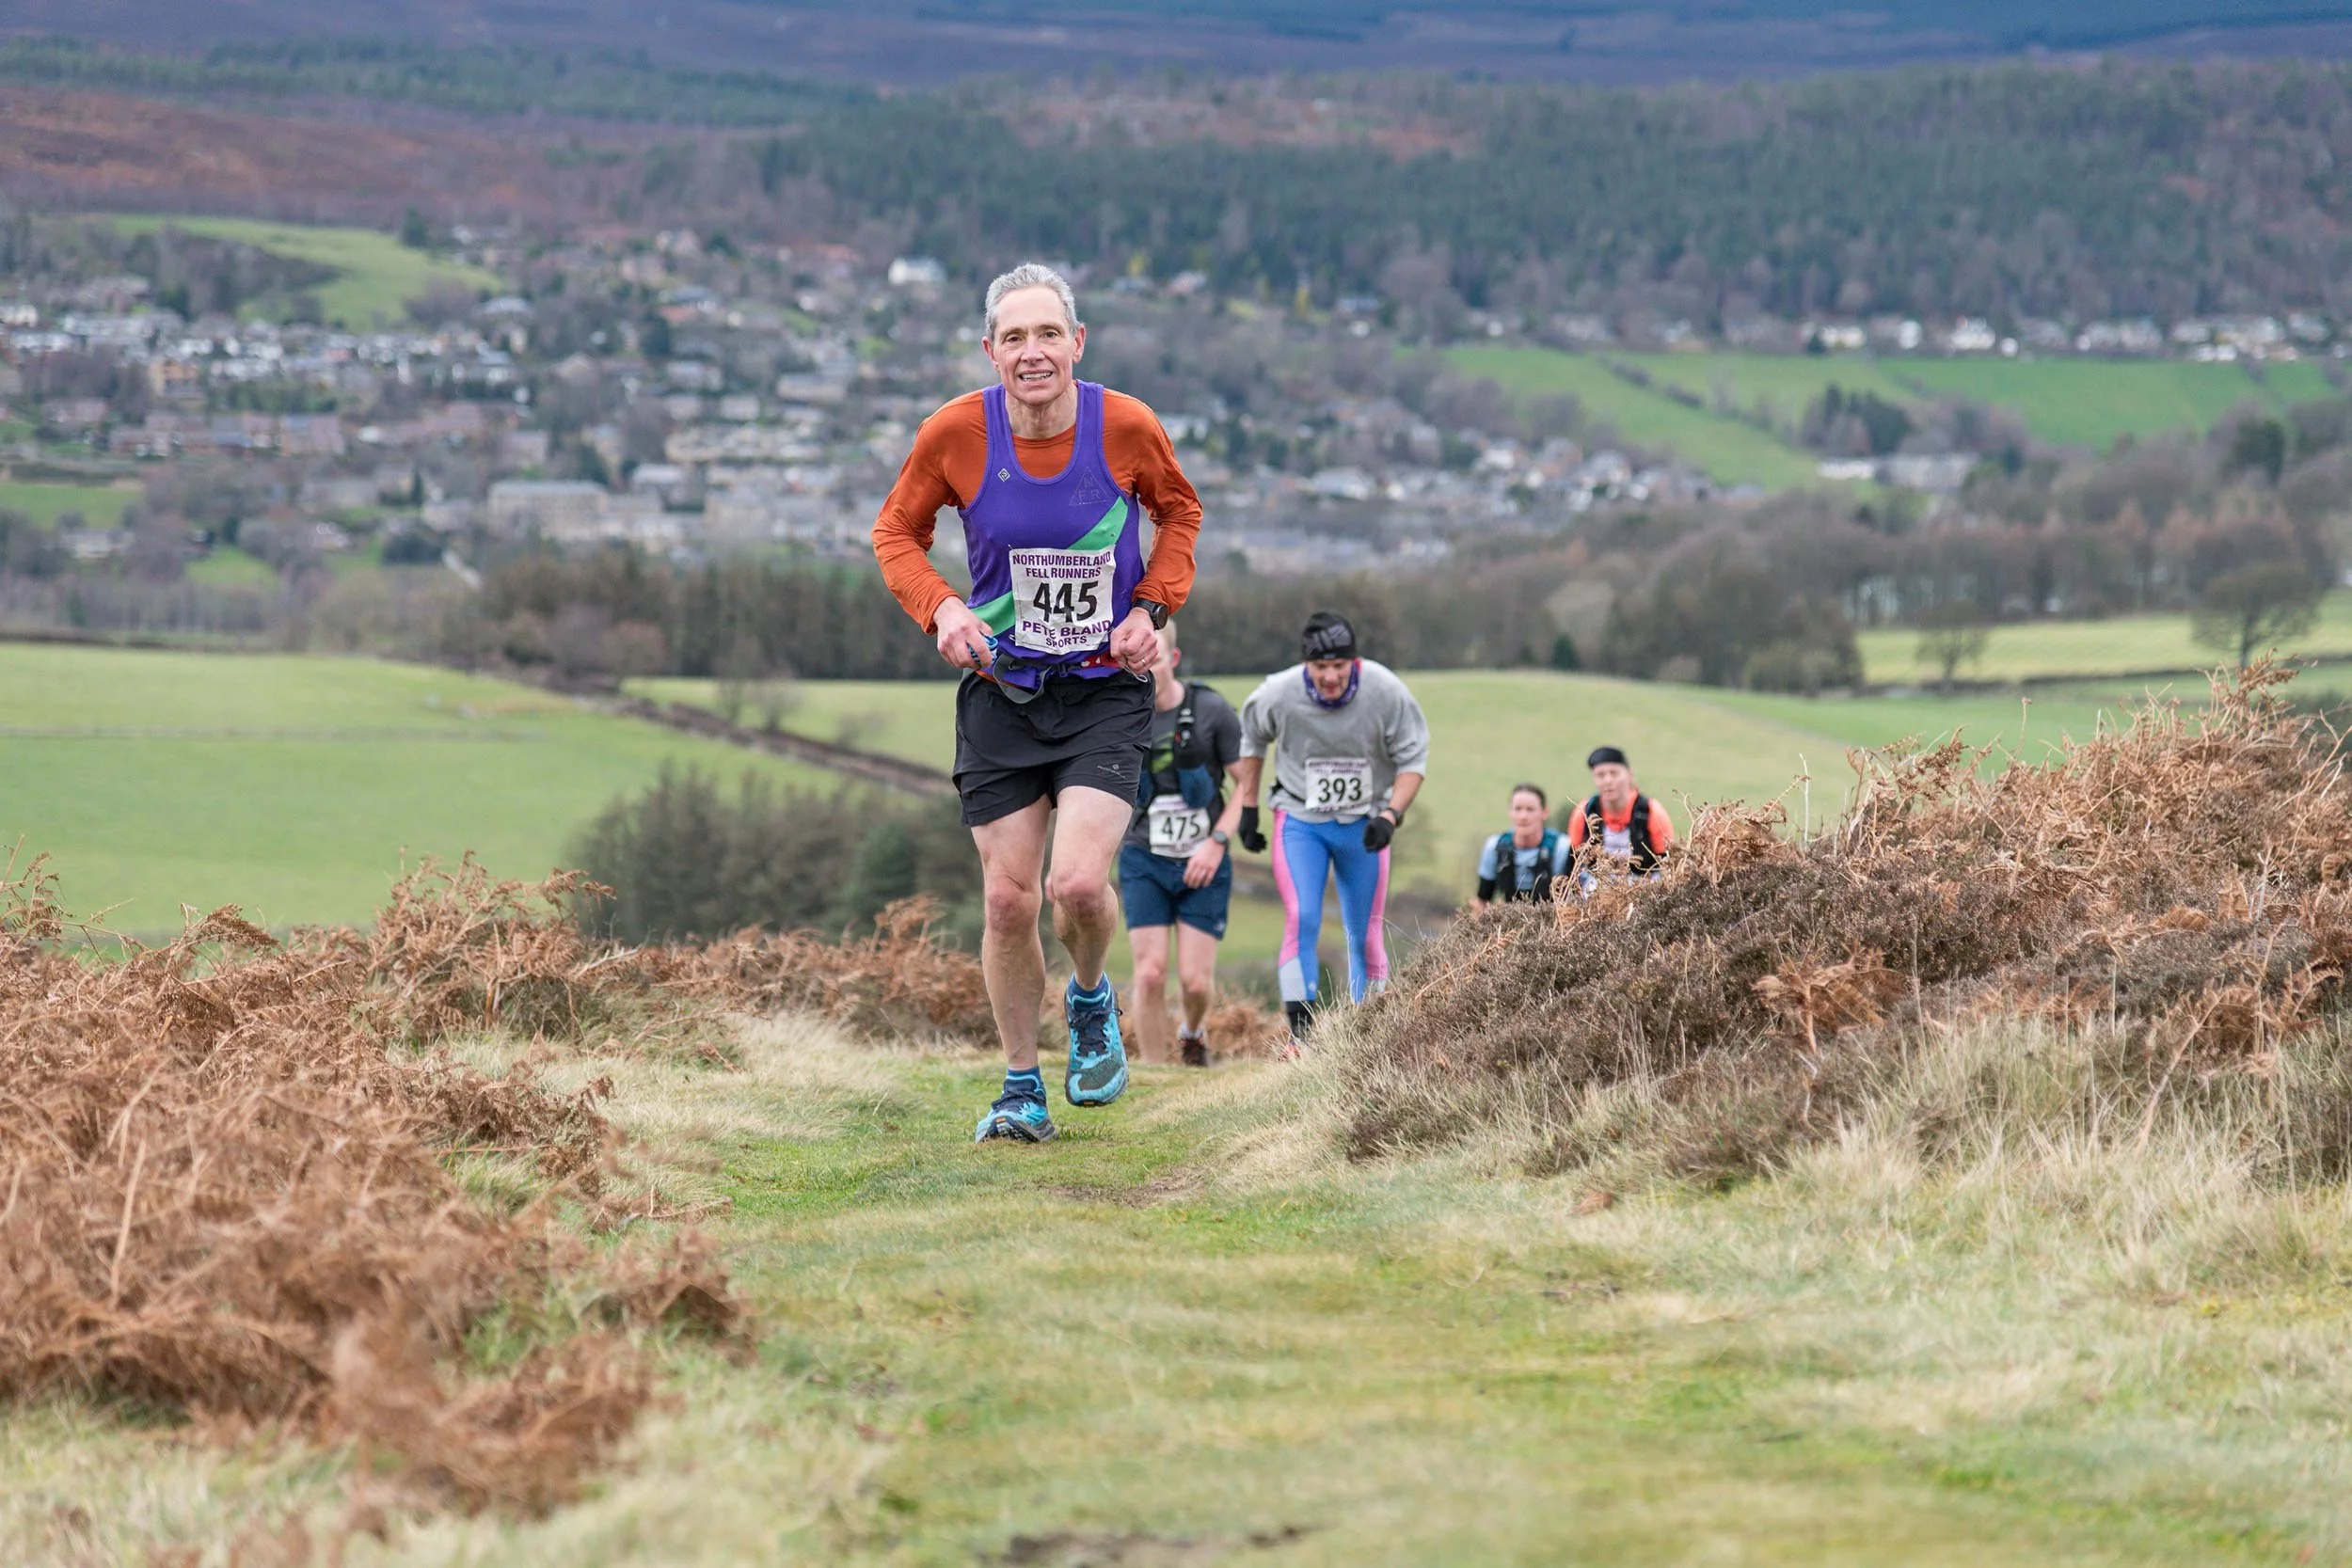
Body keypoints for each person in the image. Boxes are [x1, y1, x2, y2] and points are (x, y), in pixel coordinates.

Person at [872, 262, 1202, 1145]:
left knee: (1078, 884)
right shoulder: (955, 433)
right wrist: (941, 608)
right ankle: (1022, 1086)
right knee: (1009, 902)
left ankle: (1091, 998)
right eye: (1013, 338)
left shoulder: (1126, 426)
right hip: (1002, 690)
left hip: (1103, 688)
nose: (1032, 353)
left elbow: (1180, 512)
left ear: (1077, 343)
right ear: (990, 351)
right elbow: (894, 533)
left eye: (1047, 334)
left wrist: (1151, 608)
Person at [1233, 611, 1430, 1044]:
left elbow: (1413, 760)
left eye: (1339, 666)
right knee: (1302, 916)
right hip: (1302, 820)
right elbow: (1250, 739)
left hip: (1364, 825)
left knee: (1365, 931)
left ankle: (1369, 1034)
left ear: (1354, 662)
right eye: (1320, 668)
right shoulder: (1278, 693)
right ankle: (1300, 1036)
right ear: (1307, 665)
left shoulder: (1385, 690)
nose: (1330, 677)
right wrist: (1249, 807)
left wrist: (1390, 815)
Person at [1118, 620, 1244, 1067]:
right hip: (1143, 857)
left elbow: (1245, 786)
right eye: (1135, 661)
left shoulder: (1211, 710)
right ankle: (1154, 1073)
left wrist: (1217, 842)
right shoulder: (1118, 715)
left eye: (1153, 659)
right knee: (1149, 974)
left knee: (1193, 981)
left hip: (1203, 862)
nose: (1145, 670)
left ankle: (1192, 1034)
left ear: (1172, 658)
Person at [1568, 745, 1675, 878]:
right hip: (1597, 886)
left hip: (1646, 887)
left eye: (1614, 773)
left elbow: (1668, 860)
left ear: (1629, 775)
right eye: (1601, 775)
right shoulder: (1585, 811)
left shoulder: (1650, 811)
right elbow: (1573, 859)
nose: (1608, 781)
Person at [1477, 783, 1570, 904]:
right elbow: (1482, 900)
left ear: (1544, 813)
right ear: (1510, 811)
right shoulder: (1494, 846)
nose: (1523, 816)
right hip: (1508, 918)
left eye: (1530, 810)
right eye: (1518, 809)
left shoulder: (1561, 847)